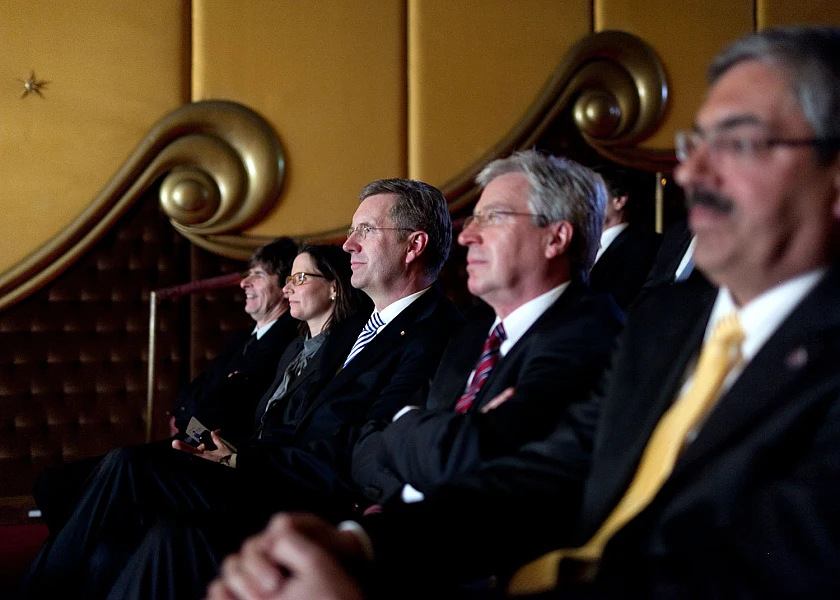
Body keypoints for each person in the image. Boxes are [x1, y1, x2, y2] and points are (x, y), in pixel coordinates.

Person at [208, 25, 840, 599]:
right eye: (696, 142)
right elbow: (547, 476)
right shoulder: (667, 321)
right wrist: (360, 547)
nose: (691, 170)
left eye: (739, 141)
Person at [18, 179, 464, 599]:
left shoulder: (436, 334)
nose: (348, 244)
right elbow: (288, 415)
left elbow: (363, 447)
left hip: (308, 497)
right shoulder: (352, 331)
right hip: (266, 470)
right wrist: (232, 452)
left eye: (364, 230)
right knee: (129, 542)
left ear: (414, 245)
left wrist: (239, 461)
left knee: (129, 466)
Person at [352, 151, 623, 507]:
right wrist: (405, 484)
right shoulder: (469, 337)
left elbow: (473, 458)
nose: (466, 236)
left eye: (492, 217)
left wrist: (403, 426)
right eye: (474, 218)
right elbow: (365, 443)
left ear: (555, 239)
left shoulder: (592, 333)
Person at [32, 237, 300, 533]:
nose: (244, 283)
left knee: (98, 477)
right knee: (53, 483)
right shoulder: (243, 338)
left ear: (286, 286)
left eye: (258, 275)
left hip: (213, 455)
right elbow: (191, 394)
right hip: (189, 438)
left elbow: (224, 409)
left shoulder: (287, 339)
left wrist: (192, 420)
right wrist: (191, 415)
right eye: (247, 274)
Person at [588, 166, 662, 308]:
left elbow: (621, 300)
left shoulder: (643, 246)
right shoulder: (581, 245)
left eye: (593, 193)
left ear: (619, 200)